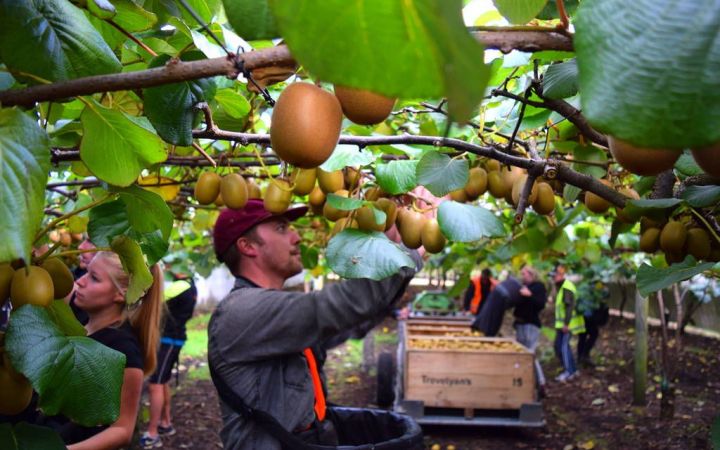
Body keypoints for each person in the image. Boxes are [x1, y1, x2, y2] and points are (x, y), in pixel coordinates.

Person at [207, 199, 422, 449]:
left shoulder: (273, 310)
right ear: (248, 246)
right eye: (281, 228)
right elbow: (337, 306)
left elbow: (350, 321)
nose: (297, 237)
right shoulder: (240, 312)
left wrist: (391, 247)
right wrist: (406, 251)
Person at [40, 251, 163, 449]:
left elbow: (122, 430)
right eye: (86, 272)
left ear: (122, 293)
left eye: (94, 278)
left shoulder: (123, 351)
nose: (80, 281)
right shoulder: (81, 321)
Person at [140, 268, 198, 449]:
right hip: (173, 339)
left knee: (155, 383)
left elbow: (157, 298)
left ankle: (152, 433)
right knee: (163, 381)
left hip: (169, 340)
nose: (170, 268)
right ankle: (166, 423)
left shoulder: (181, 285)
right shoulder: (191, 286)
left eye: (174, 265)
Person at [513, 265, 548, 393]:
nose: (523, 276)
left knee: (529, 354)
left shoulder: (538, 287)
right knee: (522, 354)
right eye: (522, 274)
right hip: (520, 324)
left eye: (524, 274)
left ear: (531, 275)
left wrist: (529, 295)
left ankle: (541, 382)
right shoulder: (523, 287)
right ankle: (526, 381)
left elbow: (540, 304)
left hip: (531, 325)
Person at [552, 264, 585, 382]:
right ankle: (573, 370)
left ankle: (569, 372)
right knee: (562, 346)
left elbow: (569, 307)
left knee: (564, 347)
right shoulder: (562, 287)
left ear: (561, 275)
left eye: (554, 276)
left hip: (567, 325)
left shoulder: (566, 287)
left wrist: (566, 324)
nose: (553, 278)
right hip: (564, 325)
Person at [576, 273, 610, 368]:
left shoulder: (582, 286)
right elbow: (604, 297)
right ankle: (584, 355)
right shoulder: (596, 287)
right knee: (593, 334)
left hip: (582, 315)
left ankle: (581, 357)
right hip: (589, 316)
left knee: (582, 337)